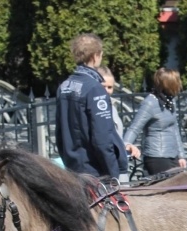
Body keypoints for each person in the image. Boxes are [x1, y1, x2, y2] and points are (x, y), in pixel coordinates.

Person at [55, 33, 139, 179]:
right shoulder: (94, 88)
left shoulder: (64, 86)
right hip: (95, 171)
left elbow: (59, 133)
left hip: (73, 169)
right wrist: (113, 173)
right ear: (95, 56)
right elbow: (102, 138)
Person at [123, 68, 187, 176]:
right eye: (176, 81)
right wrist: (127, 144)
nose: (179, 84)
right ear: (168, 83)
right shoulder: (150, 103)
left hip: (173, 155)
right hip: (157, 156)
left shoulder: (171, 101)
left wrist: (181, 156)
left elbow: (174, 129)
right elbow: (134, 128)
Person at [96, 66, 125, 137]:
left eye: (109, 87)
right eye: (103, 86)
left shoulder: (113, 107)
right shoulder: (92, 108)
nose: (106, 90)